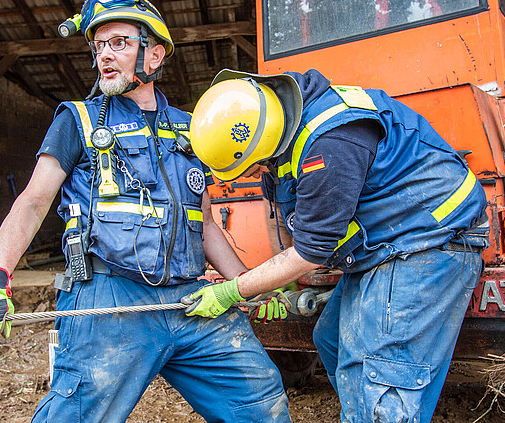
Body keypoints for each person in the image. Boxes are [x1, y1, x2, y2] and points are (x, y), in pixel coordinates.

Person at [0, 0, 290, 422]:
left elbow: (204, 223)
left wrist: (245, 284)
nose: (104, 56)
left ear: (154, 55)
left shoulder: (192, 130)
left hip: (193, 301)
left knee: (259, 402)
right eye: (98, 47)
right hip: (110, 301)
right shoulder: (78, 121)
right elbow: (33, 202)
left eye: (119, 43)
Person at [182, 68, 488, 423]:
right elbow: (282, 220)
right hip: (383, 245)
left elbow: (311, 251)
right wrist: (277, 285)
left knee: (378, 373)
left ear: (261, 145)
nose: (253, 176)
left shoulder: (329, 143)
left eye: (250, 169)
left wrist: (233, 291)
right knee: (331, 339)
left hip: (426, 241)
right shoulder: (280, 135)